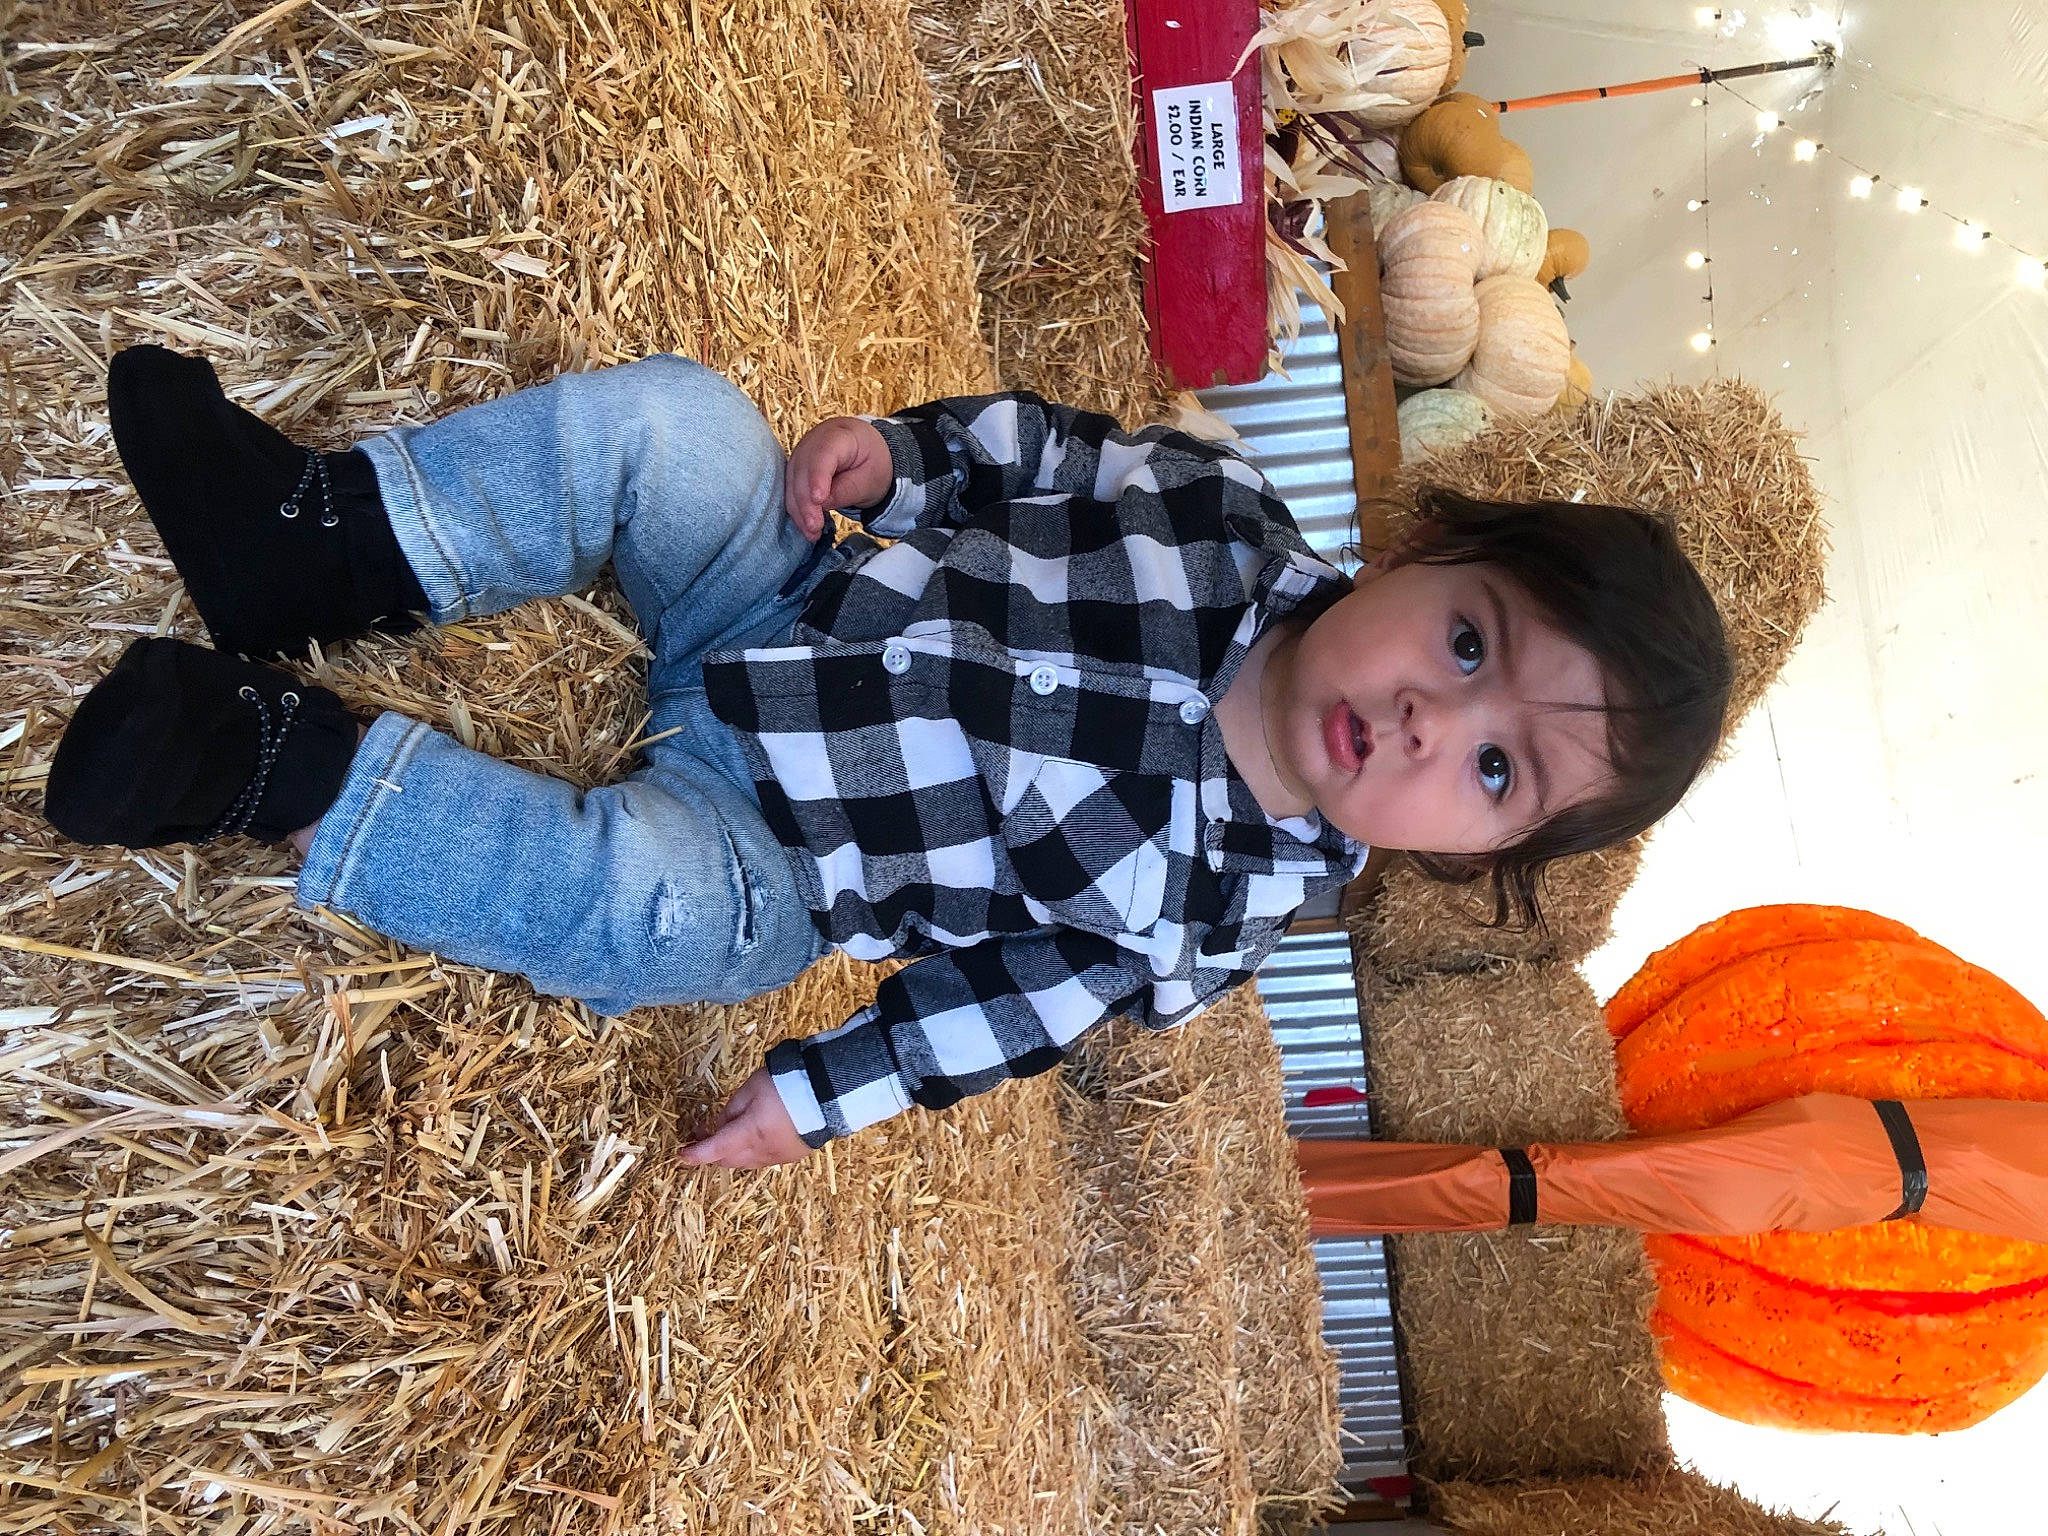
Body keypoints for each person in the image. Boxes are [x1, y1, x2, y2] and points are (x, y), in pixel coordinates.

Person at [43, 349, 1733, 1169]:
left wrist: (811, 1094)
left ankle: (281, 768)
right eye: (1467, 646)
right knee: (683, 427)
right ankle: (316, 545)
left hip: (776, 854)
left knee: (633, 916)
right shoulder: (1225, 515)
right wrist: (904, 459)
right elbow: (1042, 459)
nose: (1441, 725)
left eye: (1496, 775)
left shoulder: (1206, 919)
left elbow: (992, 1015)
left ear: (1456, 855)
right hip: (782, 595)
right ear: (1424, 544)